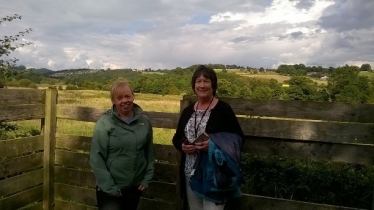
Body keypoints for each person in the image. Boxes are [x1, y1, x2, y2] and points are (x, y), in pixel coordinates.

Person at [172, 65, 244, 210]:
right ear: (194, 85)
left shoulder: (223, 109)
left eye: (206, 81)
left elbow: (237, 139)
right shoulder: (188, 111)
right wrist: (182, 146)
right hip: (190, 173)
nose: (202, 85)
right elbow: (177, 137)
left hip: (214, 175)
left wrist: (213, 145)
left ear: (213, 85)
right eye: (198, 81)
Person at [89, 81, 154, 210]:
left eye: (127, 96)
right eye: (119, 98)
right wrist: (110, 187)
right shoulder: (105, 123)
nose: (124, 100)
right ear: (113, 100)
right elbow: (96, 158)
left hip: (135, 187)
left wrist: (147, 178)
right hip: (110, 190)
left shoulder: (144, 122)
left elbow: (149, 152)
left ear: (133, 96)